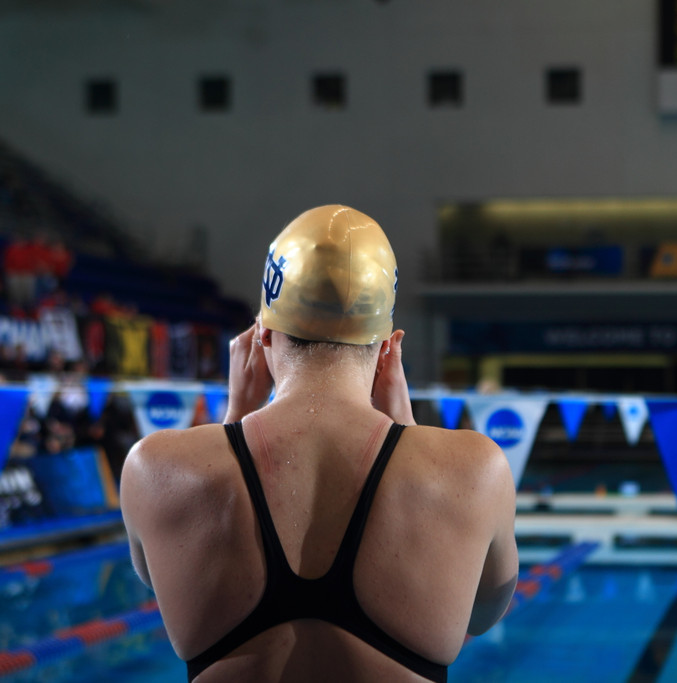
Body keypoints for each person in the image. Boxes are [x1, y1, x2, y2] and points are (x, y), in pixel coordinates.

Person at [120, 205, 518, 682]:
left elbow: (161, 580)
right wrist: (411, 438)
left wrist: (231, 426)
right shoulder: (474, 471)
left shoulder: (156, 468)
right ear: (389, 347)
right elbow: (482, 612)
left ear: (260, 335)